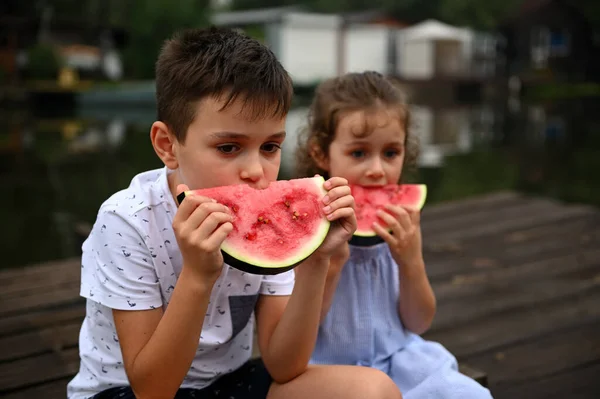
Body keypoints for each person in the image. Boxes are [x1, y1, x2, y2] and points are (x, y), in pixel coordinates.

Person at [66, 29, 403, 399]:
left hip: (229, 383)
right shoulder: (127, 221)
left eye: (271, 146)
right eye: (229, 147)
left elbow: (283, 366)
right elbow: (153, 389)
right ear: (168, 146)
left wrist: (317, 262)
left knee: (375, 390)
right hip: (125, 391)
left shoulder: (277, 217)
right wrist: (197, 276)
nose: (256, 171)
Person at [295, 71, 494, 399]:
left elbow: (419, 323)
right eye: (359, 153)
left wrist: (410, 261)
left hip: (402, 362)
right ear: (320, 153)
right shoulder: (305, 228)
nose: (377, 169)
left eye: (390, 153)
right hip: (330, 371)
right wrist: (327, 267)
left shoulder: (399, 222)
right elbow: (301, 330)